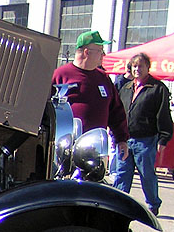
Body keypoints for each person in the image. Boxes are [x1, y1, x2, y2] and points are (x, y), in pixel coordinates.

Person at [52, 30, 129, 164]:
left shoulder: (103, 78)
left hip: (94, 150)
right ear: (86, 52)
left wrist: (121, 139)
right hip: (64, 149)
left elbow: (116, 111)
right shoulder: (60, 75)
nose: (103, 55)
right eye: (100, 50)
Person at [112, 52, 173, 216]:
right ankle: (118, 202)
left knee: (147, 174)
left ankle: (153, 204)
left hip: (146, 140)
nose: (137, 69)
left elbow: (163, 115)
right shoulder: (125, 87)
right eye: (134, 66)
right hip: (124, 139)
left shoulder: (158, 88)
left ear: (147, 67)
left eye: (141, 66)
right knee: (122, 173)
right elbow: (117, 111)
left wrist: (164, 137)